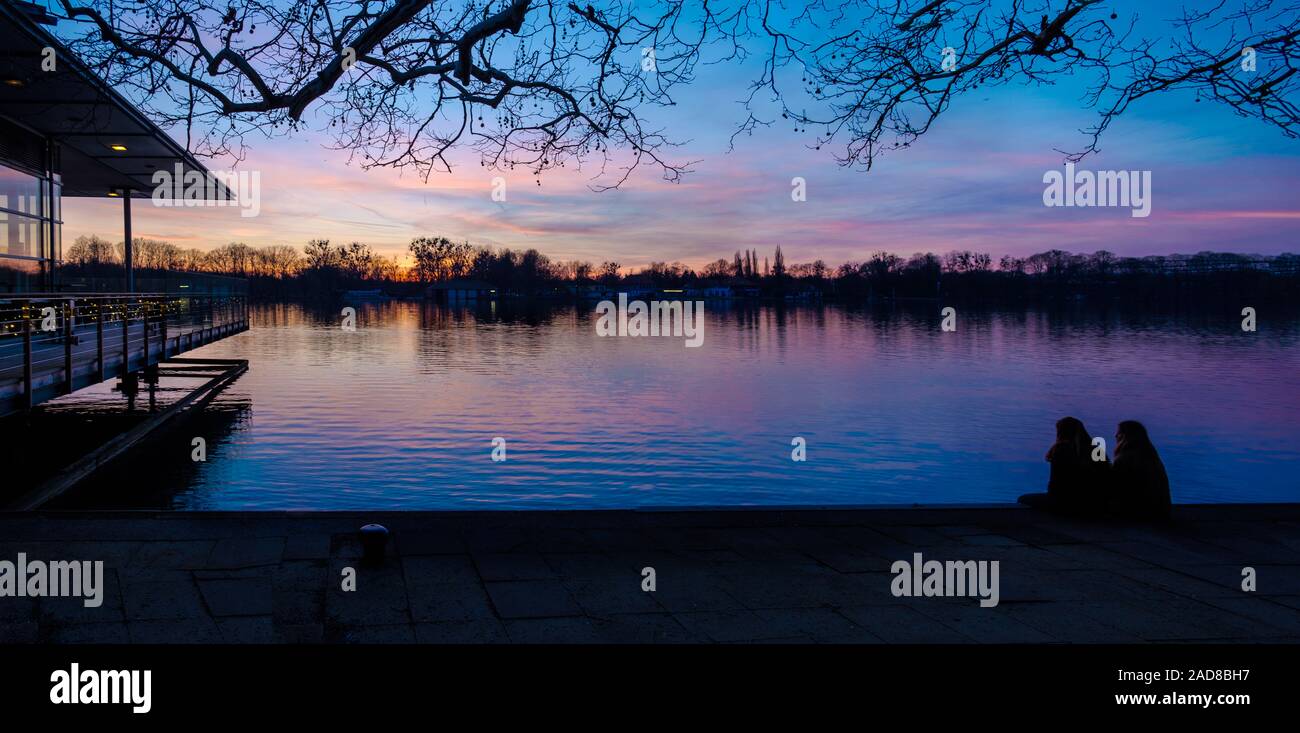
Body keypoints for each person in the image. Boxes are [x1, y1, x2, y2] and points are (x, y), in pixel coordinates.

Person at [1018, 416, 1109, 515]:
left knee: (1022, 499)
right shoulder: (1096, 449)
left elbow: (1056, 483)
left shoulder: (1060, 449)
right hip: (1094, 500)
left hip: (1064, 500)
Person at [1108, 420, 1171, 520]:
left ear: (1126, 436)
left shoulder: (1125, 458)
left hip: (1140, 511)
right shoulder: (1150, 456)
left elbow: (1116, 485)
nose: (1115, 435)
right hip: (1157, 509)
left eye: (1119, 432)